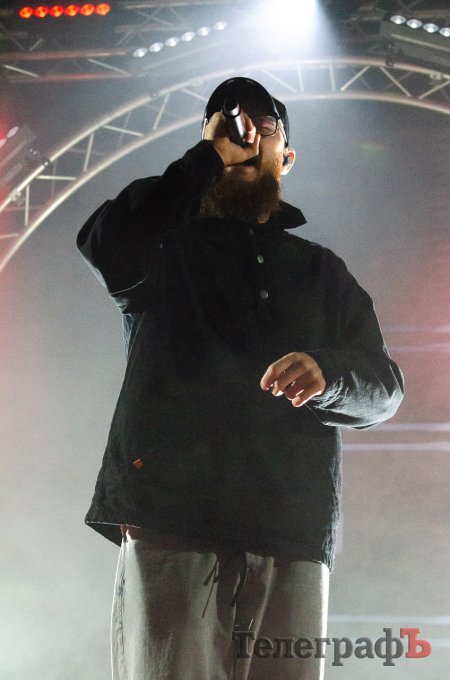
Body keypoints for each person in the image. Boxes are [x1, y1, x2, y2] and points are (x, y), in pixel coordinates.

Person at [77, 77, 404, 680]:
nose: (246, 134)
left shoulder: (322, 272)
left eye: (264, 126)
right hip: (174, 519)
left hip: (291, 530)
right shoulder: (164, 247)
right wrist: (208, 157)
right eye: (229, 123)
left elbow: (384, 388)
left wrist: (329, 373)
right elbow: (104, 240)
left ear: (289, 158)